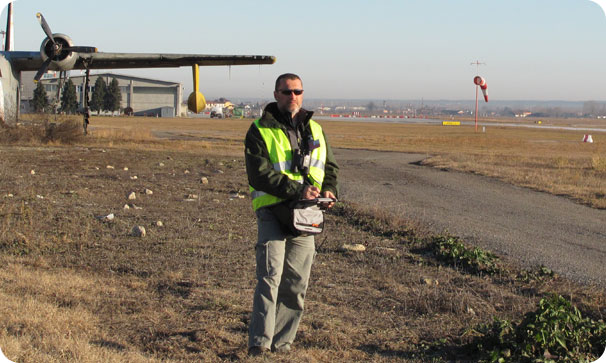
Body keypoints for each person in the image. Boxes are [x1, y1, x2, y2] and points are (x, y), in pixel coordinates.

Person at [244, 73, 339, 355]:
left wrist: (329, 190)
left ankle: (282, 344)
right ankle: (259, 345)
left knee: (296, 283)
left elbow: (330, 167)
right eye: (286, 92)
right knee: (270, 278)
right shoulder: (259, 129)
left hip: (306, 215)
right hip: (273, 211)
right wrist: (297, 189)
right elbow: (258, 174)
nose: (292, 96)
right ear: (276, 94)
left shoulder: (317, 130)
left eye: (297, 91)